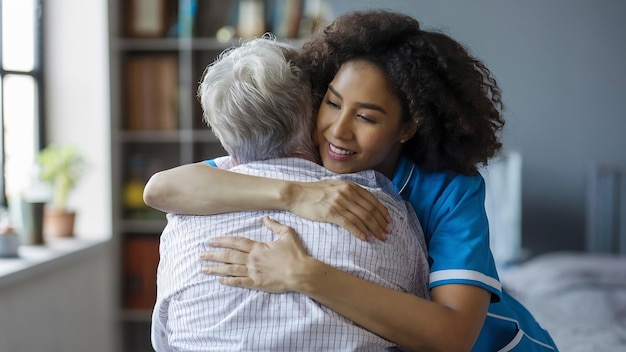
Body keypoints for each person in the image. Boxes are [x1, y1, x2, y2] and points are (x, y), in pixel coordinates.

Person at [144, 9, 558, 352]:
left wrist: (303, 274)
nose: (338, 131)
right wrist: (296, 195)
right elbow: (162, 189)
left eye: (366, 117)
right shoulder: (308, 155)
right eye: (333, 103)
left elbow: (451, 335)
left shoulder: (450, 190)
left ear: (407, 127)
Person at [150, 35, 430, 351]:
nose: (338, 129)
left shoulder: (183, 221)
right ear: (310, 114)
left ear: (225, 138)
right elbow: (421, 331)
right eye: (333, 103)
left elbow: (167, 340)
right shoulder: (380, 211)